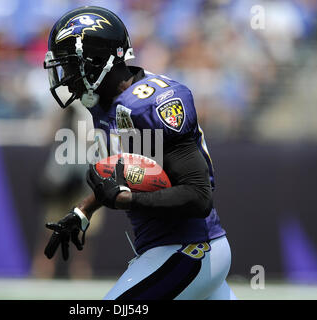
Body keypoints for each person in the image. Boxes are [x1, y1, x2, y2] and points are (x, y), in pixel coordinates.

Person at [43, 6, 237, 300]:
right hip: (172, 250)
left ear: (97, 60)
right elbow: (124, 169)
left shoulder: (155, 103)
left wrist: (126, 200)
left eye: (71, 66)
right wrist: (84, 210)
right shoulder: (104, 104)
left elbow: (199, 196)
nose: (66, 78)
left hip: (189, 248)